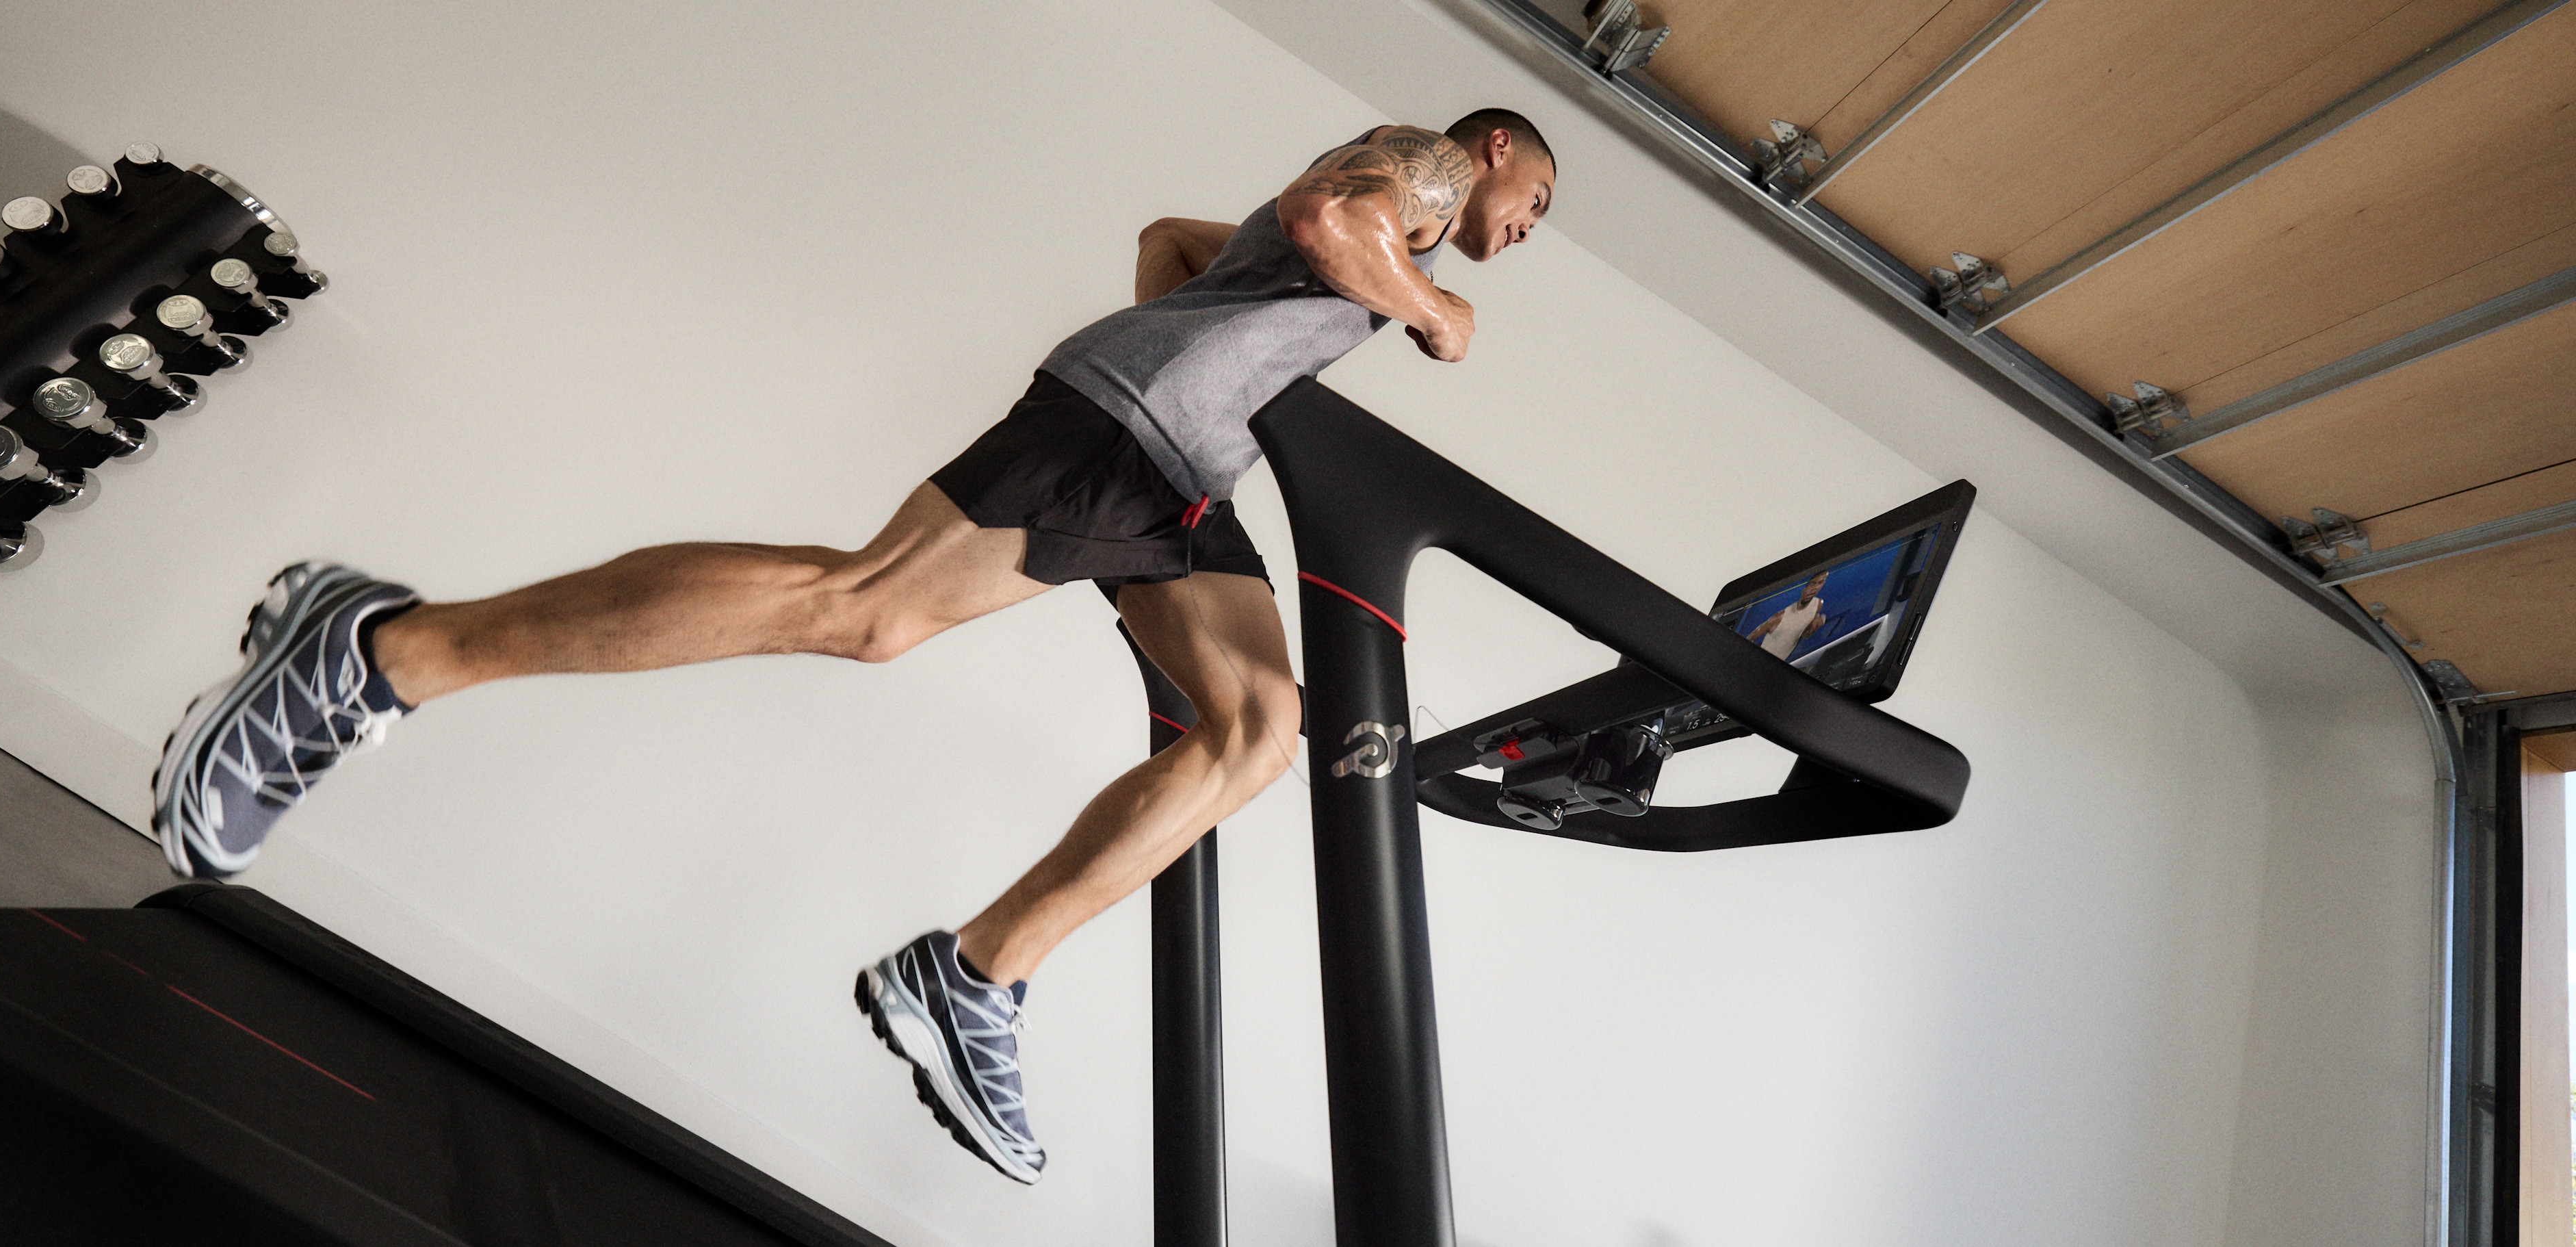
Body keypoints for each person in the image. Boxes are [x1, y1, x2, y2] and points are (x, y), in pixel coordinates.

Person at [151, 110, 1557, 1184]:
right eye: (1535, 200)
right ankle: (386, 648)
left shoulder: (1401, 208)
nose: (1523, 226)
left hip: (1185, 481)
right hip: (1133, 431)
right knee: (867, 608)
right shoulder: (1423, 171)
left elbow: (1182, 243)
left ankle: (978, 973)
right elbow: (1322, 214)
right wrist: (1433, 309)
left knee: (1259, 728)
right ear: (1494, 151)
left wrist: (1205, 333)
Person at [1747, 571, 1827, 660]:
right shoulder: (1780, 617)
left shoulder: (1818, 604)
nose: (1815, 588)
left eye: (1820, 583)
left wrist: (1813, 628)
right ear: (1804, 589)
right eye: (1813, 584)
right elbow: (1752, 637)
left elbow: (1804, 635)